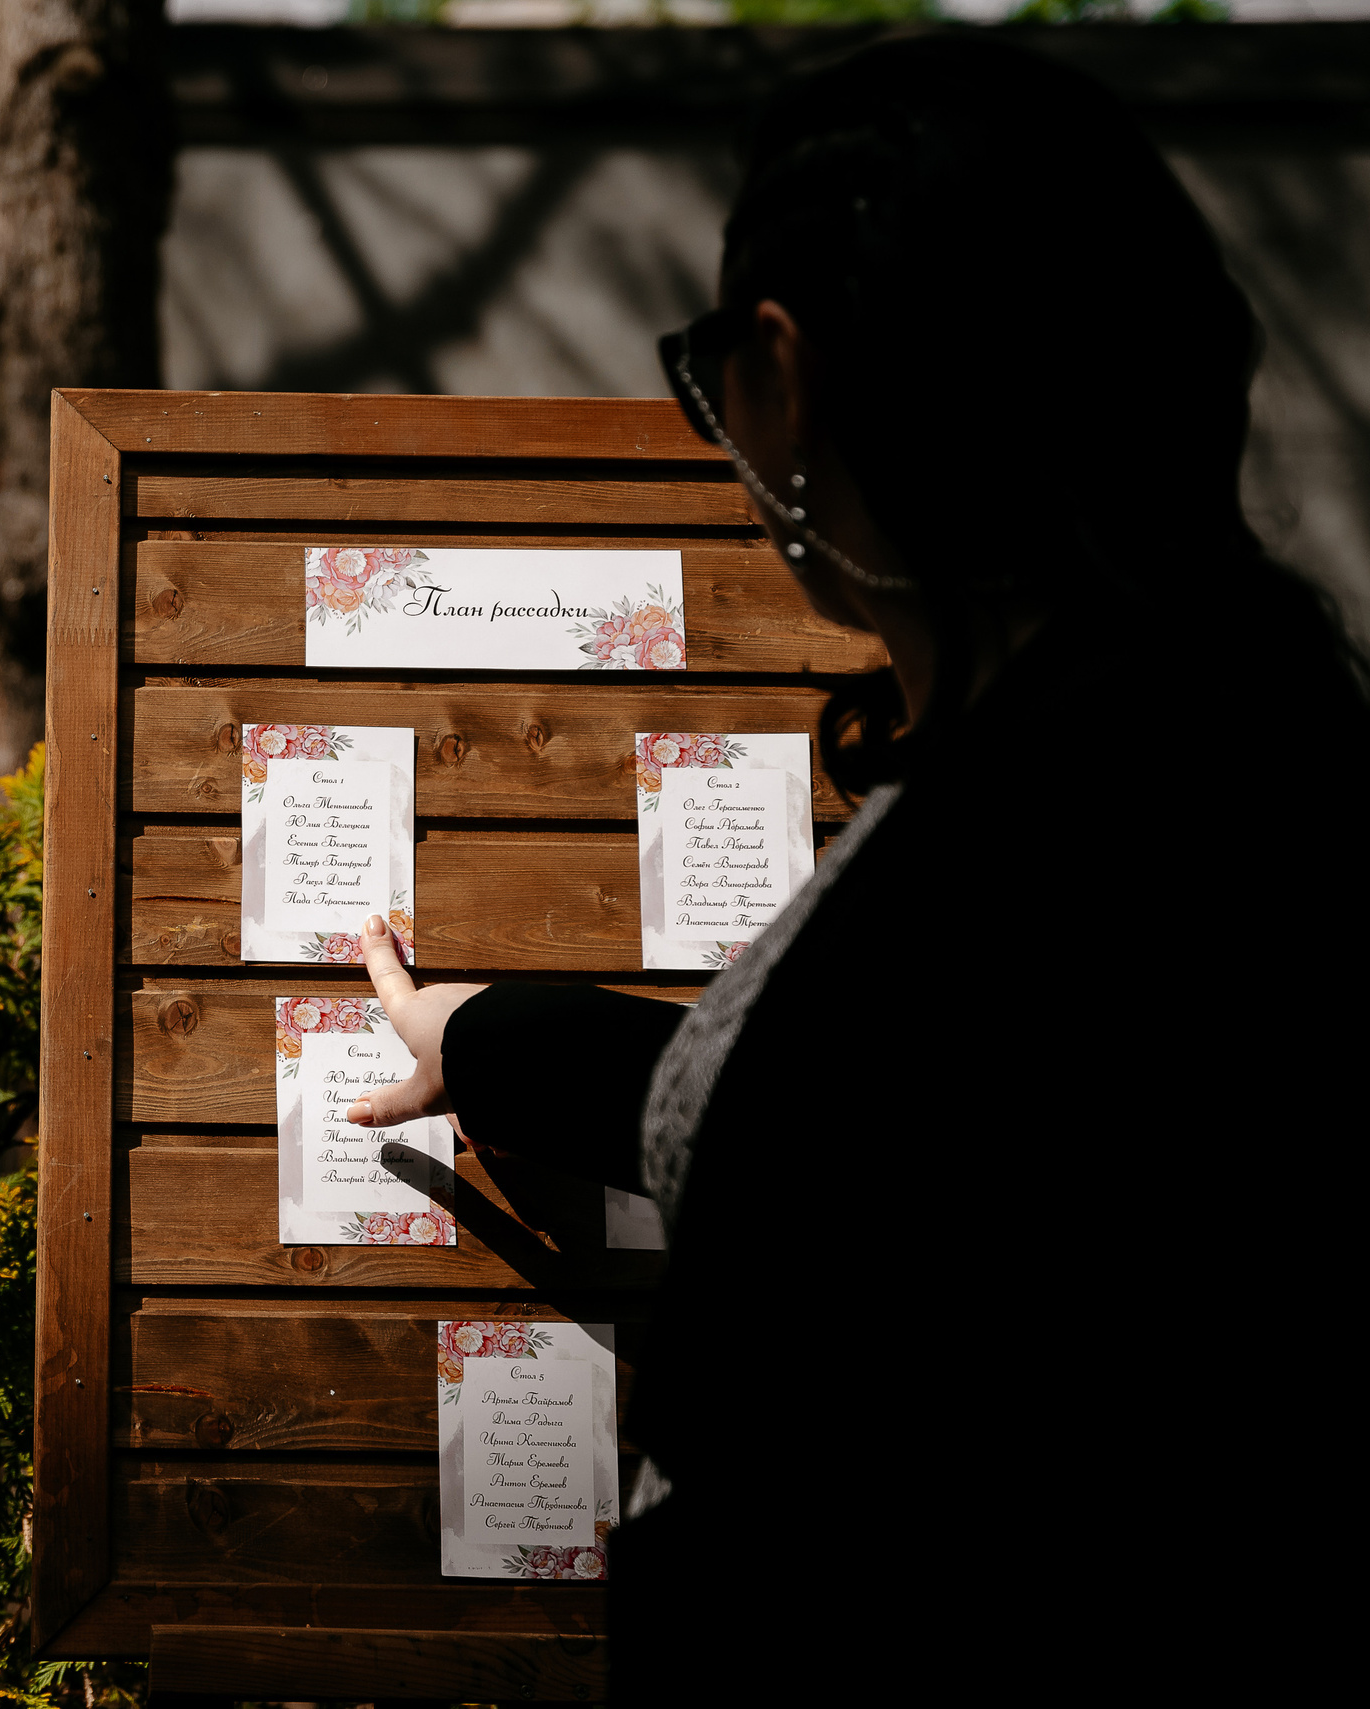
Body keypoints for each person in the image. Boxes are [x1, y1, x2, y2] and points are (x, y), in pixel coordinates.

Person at [343, 36, 1363, 1702]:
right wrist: (479, 1037)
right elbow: (878, 1121)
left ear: (785, 378)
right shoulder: (1204, 741)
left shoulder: (1044, 842)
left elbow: (885, 1160)